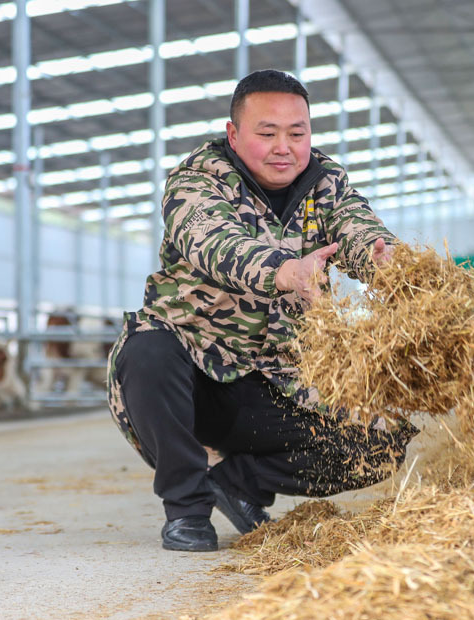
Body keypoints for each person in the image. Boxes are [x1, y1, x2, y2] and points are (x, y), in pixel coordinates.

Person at [106, 69, 418, 552]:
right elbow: (212, 240)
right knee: (147, 350)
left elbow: (355, 226)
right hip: (192, 369)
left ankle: (239, 484)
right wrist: (286, 272)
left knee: (382, 443)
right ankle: (187, 510)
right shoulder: (197, 181)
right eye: (266, 132)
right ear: (233, 134)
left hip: (275, 377)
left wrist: (385, 259)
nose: (284, 147)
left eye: (297, 133)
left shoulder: (325, 182)